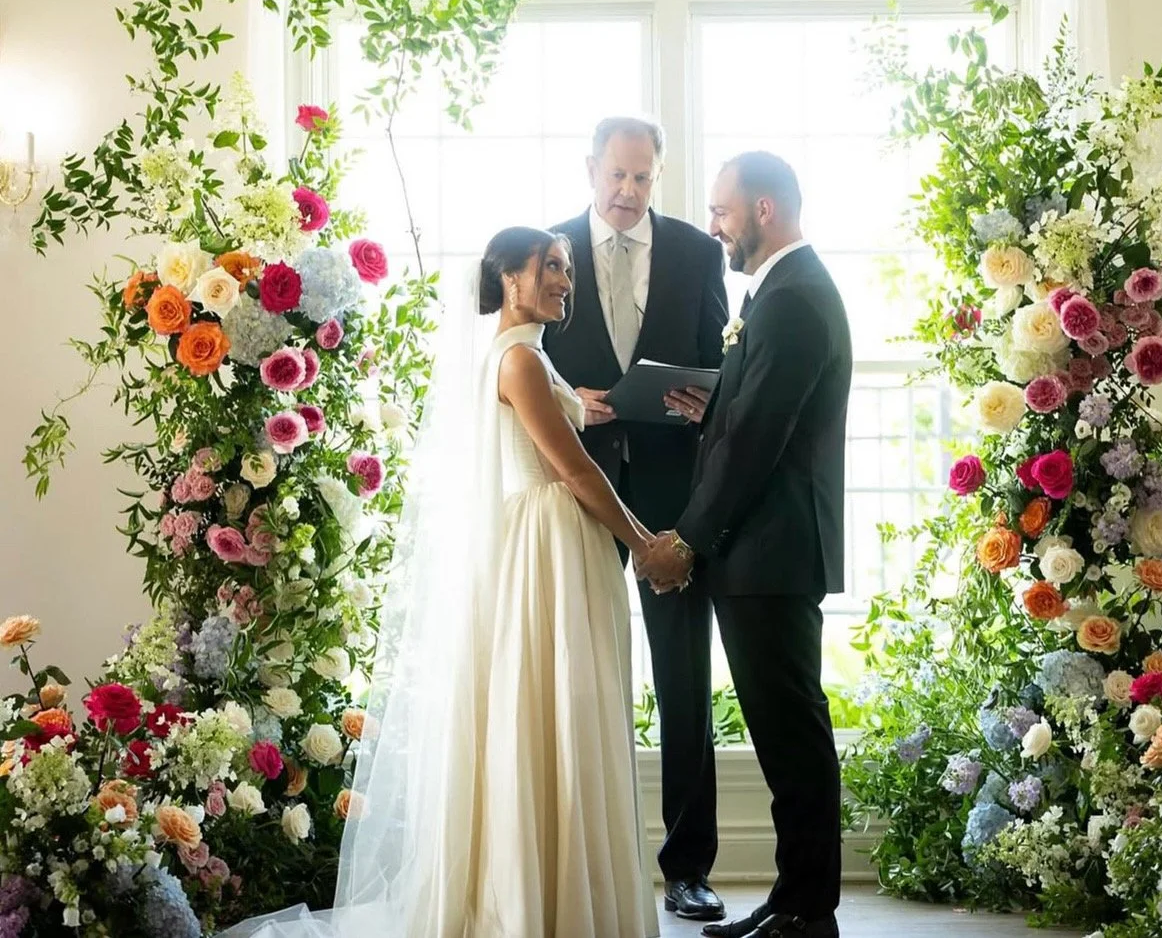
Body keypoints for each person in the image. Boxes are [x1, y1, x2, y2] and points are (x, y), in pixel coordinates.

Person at [220, 227, 660, 938]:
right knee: (547, 713)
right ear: (507, 278)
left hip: (555, 543)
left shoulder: (527, 360)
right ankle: (535, 908)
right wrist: (643, 543)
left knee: (562, 713)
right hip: (544, 548)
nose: (563, 279)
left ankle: (556, 896)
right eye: (549, 265)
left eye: (567, 268)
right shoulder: (517, 360)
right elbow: (574, 470)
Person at [644, 152, 852, 938]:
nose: (713, 225)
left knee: (792, 734)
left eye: (721, 210)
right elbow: (755, 413)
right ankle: (794, 896)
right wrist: (714, 407)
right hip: (764, 555)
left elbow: (760, 441)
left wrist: (687, 539)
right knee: (781, 732)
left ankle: (807, 910)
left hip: (772, 554)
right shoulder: (778, 295)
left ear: (763, 210)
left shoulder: (793, 297)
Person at [544, 115, 730, 923]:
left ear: (659, 174)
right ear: (590, 168)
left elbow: (726, 370)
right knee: (573, 672)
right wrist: (567, 401)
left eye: (642, 178)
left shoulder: (697, 251)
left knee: (683, 677)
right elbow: (522, 358)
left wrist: (703, 399)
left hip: (670, 493)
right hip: (575, 493)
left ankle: (687, 867)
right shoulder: (544, 248)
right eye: (616, 175)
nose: (627, 192)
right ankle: (574, 856)